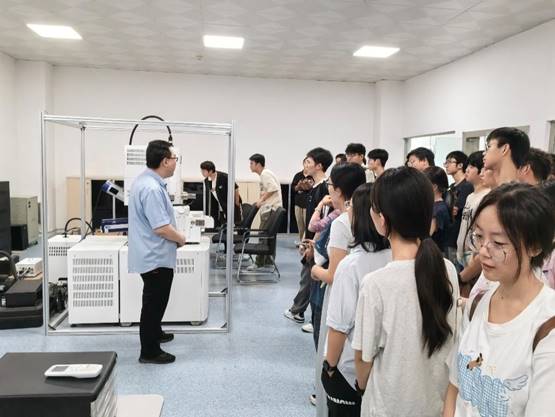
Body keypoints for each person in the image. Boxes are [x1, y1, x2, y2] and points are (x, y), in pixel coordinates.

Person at [353, 167, 459, 417]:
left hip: (388, 407)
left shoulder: (376, 283)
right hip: (435, 404)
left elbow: (363, 360)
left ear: (382, 220)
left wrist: (362, 387)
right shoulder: (446, 269)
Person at [443, 183, 555, 417]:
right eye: (479, 236)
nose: (483, 251)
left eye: (499, 243)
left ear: (534, 246)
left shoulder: (546, 327)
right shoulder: (478, 301)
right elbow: (455, 387)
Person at [321, 183, 391, 417]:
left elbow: (339, 328)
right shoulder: (394, 257)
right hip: (382, 371)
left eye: (351, 206)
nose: (347, 210)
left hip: (350, 370)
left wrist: (329, 367)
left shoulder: (351, 266)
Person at [312, 162, 367, 416]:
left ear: (340, 189)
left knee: (334, 345)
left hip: (340, 297)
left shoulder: (343, 222)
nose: (329, 190)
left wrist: (315, 269)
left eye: (331, 186)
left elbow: (334, 273)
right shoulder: (363, 218)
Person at [128, 140, 186, 365]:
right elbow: (161, 228)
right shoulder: (151, 188)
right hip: (155, 257)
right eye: (174, 159)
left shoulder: (147, 181)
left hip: (152, 253)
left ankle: (155, 332)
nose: (175, 163)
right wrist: (180, 238)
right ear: (164, 161)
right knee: (153, 304)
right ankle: (149, 351)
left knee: (156, 301)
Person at [284, 148, 333, 324]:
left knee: (310, 279)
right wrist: (305, 241)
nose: (306, 165)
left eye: (309, 162)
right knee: (307, 277)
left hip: (317, 244)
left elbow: (323, 223)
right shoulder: (314, 187)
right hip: (311, 241)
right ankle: (302, 313)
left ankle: (304, 314)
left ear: (319, 166)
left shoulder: (325, 189)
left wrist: (313, 244)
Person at [456, 152, 490, 297]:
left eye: (472, 166)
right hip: (462, 255)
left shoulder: (486, 196)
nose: (467, 169)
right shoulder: (470, 196)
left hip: (475, 257)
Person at [248, 153, 283, 269]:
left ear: (258, 164)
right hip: (271, 208)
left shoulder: (265, 174)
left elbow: (273, 188)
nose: (250, 166)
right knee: (269, 236)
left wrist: (261, 200)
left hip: (270, 209)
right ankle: (268, 260)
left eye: (252, 163)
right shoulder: (266, 174)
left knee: (263, 235)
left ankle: (259, 262)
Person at [444, 151, 474, 267]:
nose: (446, 165)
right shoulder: (451, 187)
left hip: (458, 238)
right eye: (445, 162)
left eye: (449, 162)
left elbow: (456, 211)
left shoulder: (467, 186)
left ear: (460, 165)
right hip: (449, 236)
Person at [200, 161, 242, 227]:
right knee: (223, 226)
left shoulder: (224, 177)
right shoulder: (206, 181)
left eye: (204, 171)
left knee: (235, 225)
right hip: (220, 208)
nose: (202, 173)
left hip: (231, 206)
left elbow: (235, 188)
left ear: (210, 171)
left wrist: (236, 202)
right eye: (201, 170)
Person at [424, 166, 451, 255]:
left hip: (436, 255)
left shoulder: (439, 209)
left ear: (434, 186)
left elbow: (427, 235)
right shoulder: (434, 206)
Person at [291, 158, 314, 243]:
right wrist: (298, 186)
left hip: (308, 205)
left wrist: (308, 186)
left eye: (309, 163)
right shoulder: (298, 175)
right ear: (303, 164)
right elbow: (293, 188)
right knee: (300, 226)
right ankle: (302, 242)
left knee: (307, 225)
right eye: (305, 163)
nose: (307, 165)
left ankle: (307, 243)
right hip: (298, 204)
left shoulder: (313, 176)